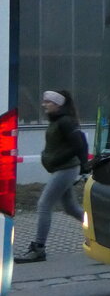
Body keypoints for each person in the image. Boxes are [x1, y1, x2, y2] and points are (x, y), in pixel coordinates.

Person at [15, 90, 89, 264]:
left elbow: (80, 144)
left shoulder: (65, 121)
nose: (44, 104)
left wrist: (60, 160)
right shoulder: (57, 121)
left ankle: (38, 248)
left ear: (58, 104)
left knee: (44, 204)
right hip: (62, 168)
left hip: (66, 169)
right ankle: (100, 233)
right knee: (71, 208)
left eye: (48, 102)